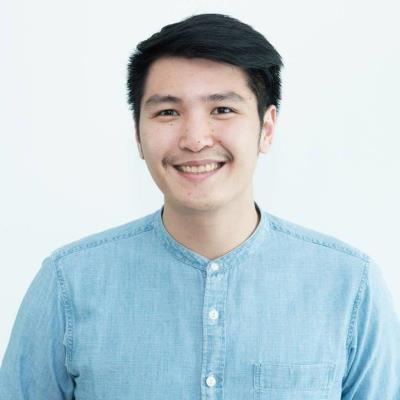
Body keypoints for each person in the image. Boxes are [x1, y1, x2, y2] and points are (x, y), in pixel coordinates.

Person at [1, 13, 399, 400]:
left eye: (222, 109)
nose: (194, 139)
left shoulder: (350, 286)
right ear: (138, 134)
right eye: (167, 112)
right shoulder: (68, 283)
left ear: (266, 128)